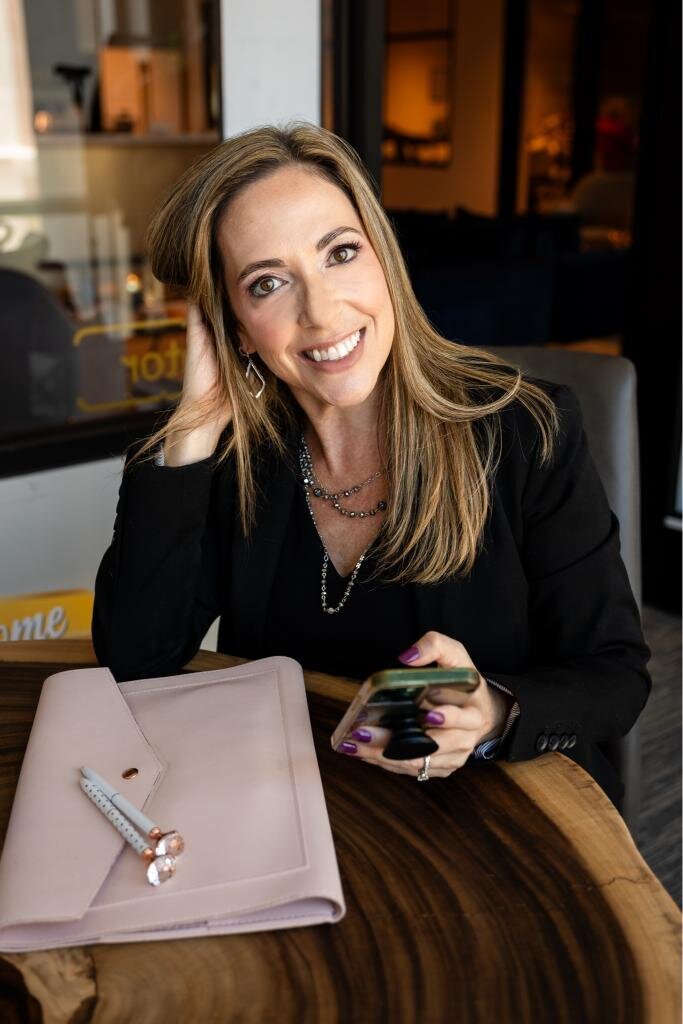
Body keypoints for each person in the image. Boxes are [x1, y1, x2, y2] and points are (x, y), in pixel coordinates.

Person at [92, 122, 651, 807]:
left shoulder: (526, 431)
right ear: (232, 325)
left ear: (383, 259)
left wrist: (496, 711)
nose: (322, 313)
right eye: (268, 283)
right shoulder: (229, 461)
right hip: (301, 807)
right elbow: (134, 664)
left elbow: (614, 675)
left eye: (341, 253)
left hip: (495, 810)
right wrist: (194, 427)